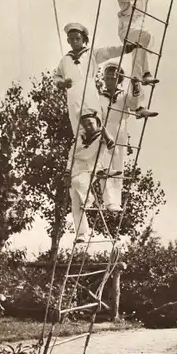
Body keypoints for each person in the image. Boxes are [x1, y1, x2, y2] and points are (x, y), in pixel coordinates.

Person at [54, 22, 138, 137]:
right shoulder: (65, 60)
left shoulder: (92, 53)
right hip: (73, 95)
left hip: (88, 91)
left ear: (83, 39)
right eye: (71, 39)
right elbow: (57, 76)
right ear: (68, 41)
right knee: (78, 128)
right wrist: (62, 84)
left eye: (77, 38)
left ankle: (104, 138)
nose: (74, 42)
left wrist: (125, 49)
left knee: (92, 120)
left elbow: (109, 51)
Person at [117, 0, 177, 84]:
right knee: (145, 36)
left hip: (139, 29)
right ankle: (145, 73)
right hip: (126, 30)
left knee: (140, 46)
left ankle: (137, 79)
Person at [65, 112, 121, 243]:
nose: (88, 127)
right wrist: (66, 173)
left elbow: (115, 153)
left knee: (78, 183)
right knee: (75, 203)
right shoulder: (79, 138)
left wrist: (107, 137)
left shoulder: (102, 136)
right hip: (76, 168)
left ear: (97, 123)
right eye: (85, 125)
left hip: (92, 168)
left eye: (90, 123)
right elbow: (71, 156)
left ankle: (90, 199)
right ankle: (82, 234)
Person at [98, 62, 147, 210]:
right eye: (108, 78)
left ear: (119, 79)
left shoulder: (123, 95)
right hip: (104, 129)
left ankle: (116, 201)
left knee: (118, 165)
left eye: (114, 78)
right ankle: (109, 201)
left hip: (120, 129)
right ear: (104, 79)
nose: (110, 81)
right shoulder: (99, 96)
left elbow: (134, 104)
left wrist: (135, 86)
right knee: (104, 165)